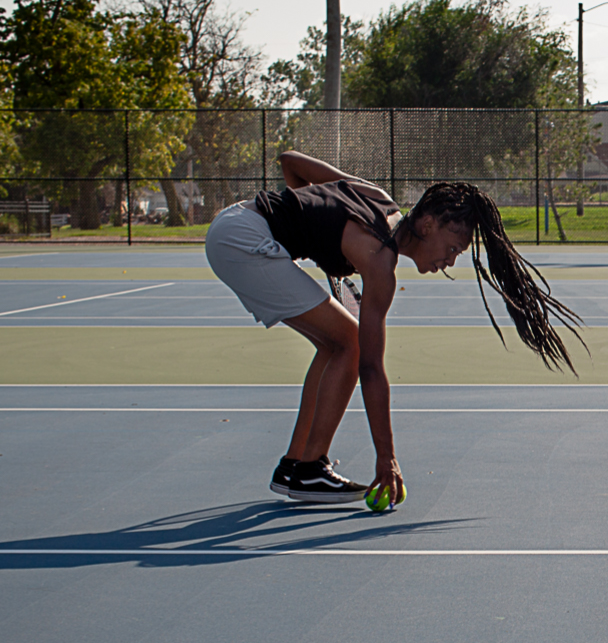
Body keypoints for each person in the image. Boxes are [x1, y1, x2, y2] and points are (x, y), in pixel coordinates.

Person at [204, 150, 584, 502]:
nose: (450, 261)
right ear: (428, 223)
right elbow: (370, 368)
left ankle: (295, 462)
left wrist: (310, 227)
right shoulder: (379, 261)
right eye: (452, 247)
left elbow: (292, 163)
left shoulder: (377, 197)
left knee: (333, 345)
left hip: (236, 225)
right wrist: (387, 460)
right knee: (349, 344)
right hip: (245, 240)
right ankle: (309, 468)